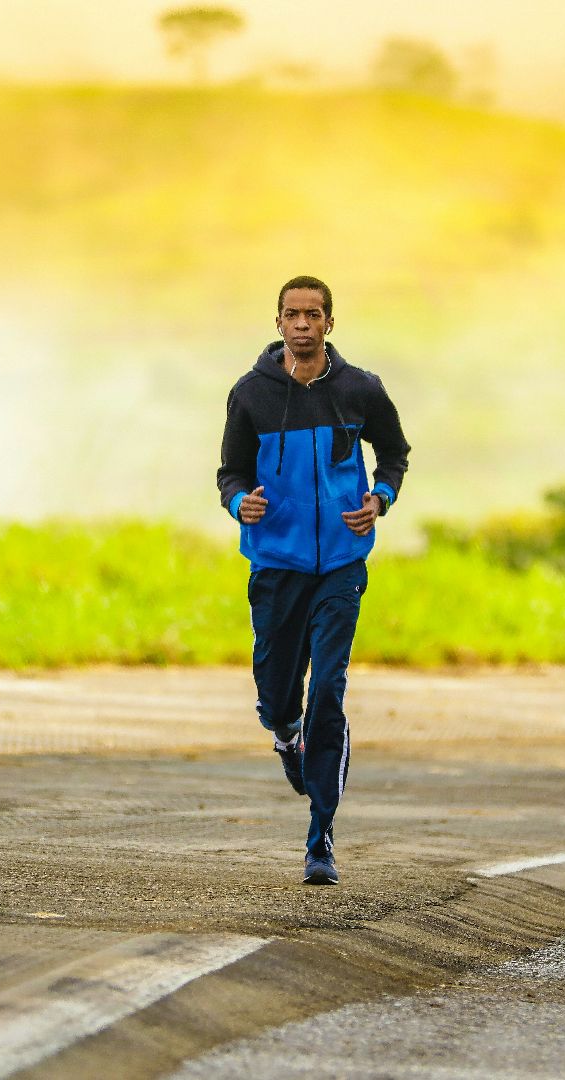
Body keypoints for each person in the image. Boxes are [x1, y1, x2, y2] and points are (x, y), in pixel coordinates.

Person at [215, 275, 411, 885]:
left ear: (330, 322)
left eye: (313, 315)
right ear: (278, 323)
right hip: (276, 564)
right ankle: (286, 733)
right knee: (278, 694)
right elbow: (229, 472)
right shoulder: (250, 395)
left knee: (329, 688)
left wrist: (379, 498)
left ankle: (320, 834)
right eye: (292, 315)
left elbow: (396, 454)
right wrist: (238, 501)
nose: (302, 325)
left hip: (341, 566)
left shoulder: (361, 390)